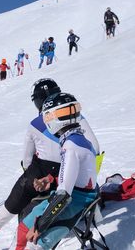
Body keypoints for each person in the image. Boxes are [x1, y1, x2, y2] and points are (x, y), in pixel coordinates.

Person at [0, 79, 63, 250]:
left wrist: (30, 175)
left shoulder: (36, 124)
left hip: (39, 176)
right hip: (67, 179)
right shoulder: (77, 117)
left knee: (11, 204)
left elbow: (27, 160)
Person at [16, 91, 98, 250]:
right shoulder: (77, 138)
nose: (46, 122)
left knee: (35, 245)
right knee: (22, 230)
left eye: (47, 118)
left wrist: (39, 225)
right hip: (71, 195)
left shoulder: (71, 146)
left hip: (76, 202)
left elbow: (63, 196)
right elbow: (74, 173)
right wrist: (50, 179)